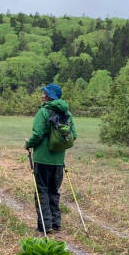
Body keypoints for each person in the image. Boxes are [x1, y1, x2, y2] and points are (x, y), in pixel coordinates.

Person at [24, 83, 77, 233]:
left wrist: (28, 144)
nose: (42, 95)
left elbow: (38, 135)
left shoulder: (44, 111)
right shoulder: (67, 113)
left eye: (44, 93)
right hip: (59, 160)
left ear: (50, 96)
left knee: (42, 191)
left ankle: (45, 226)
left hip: (42, 159)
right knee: (54, 191)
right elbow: (74, 135)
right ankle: (56, 223)